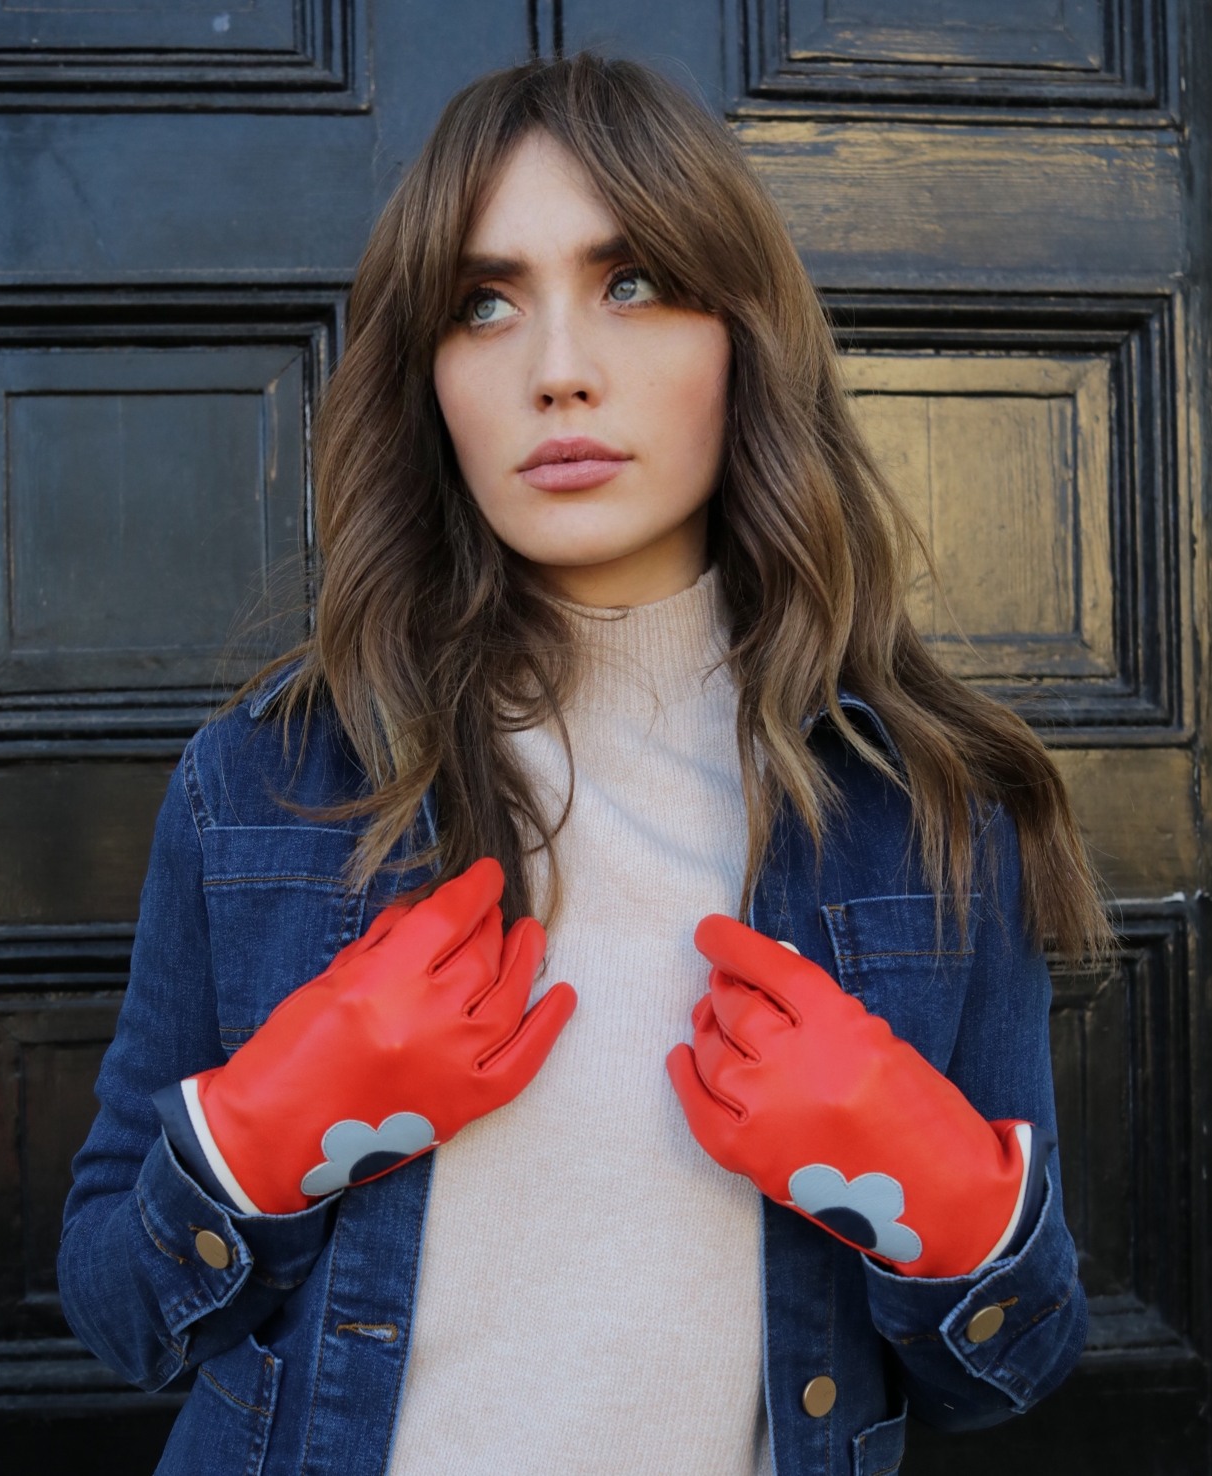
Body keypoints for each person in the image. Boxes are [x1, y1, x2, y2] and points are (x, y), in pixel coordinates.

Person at [58, 51, 1109, 1476]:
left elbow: (1016, 1363)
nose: (556, 370)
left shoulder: (927, 814)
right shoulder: (259, 786)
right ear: (427, 380)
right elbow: (125, 1315)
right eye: (482, 305)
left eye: (630, 285)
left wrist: (928, 1183)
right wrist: (264, 1131)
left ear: (740, 339)